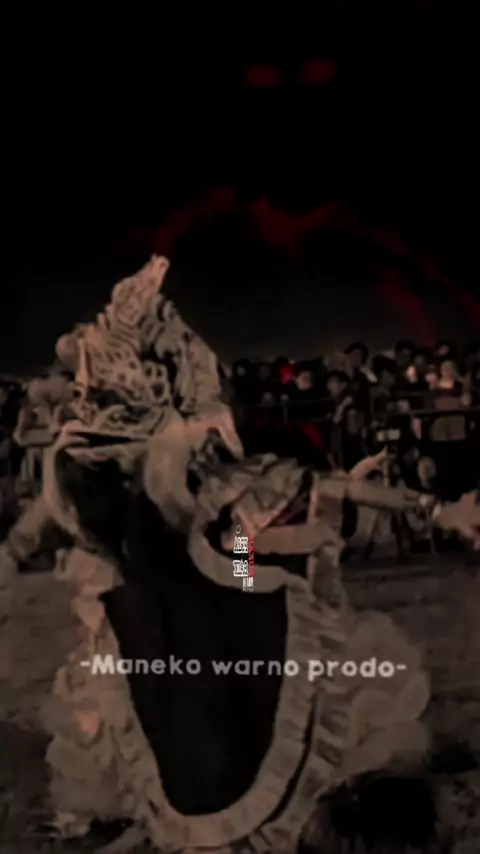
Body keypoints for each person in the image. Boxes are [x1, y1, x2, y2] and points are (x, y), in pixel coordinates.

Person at [2, 257, 480, 854]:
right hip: (150, 638)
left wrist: (433, 510)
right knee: (153, 721)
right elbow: (26, 539)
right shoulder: (85, 476)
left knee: (226, 715)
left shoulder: (199, 478)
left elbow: (297, 502)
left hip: (202, 628)